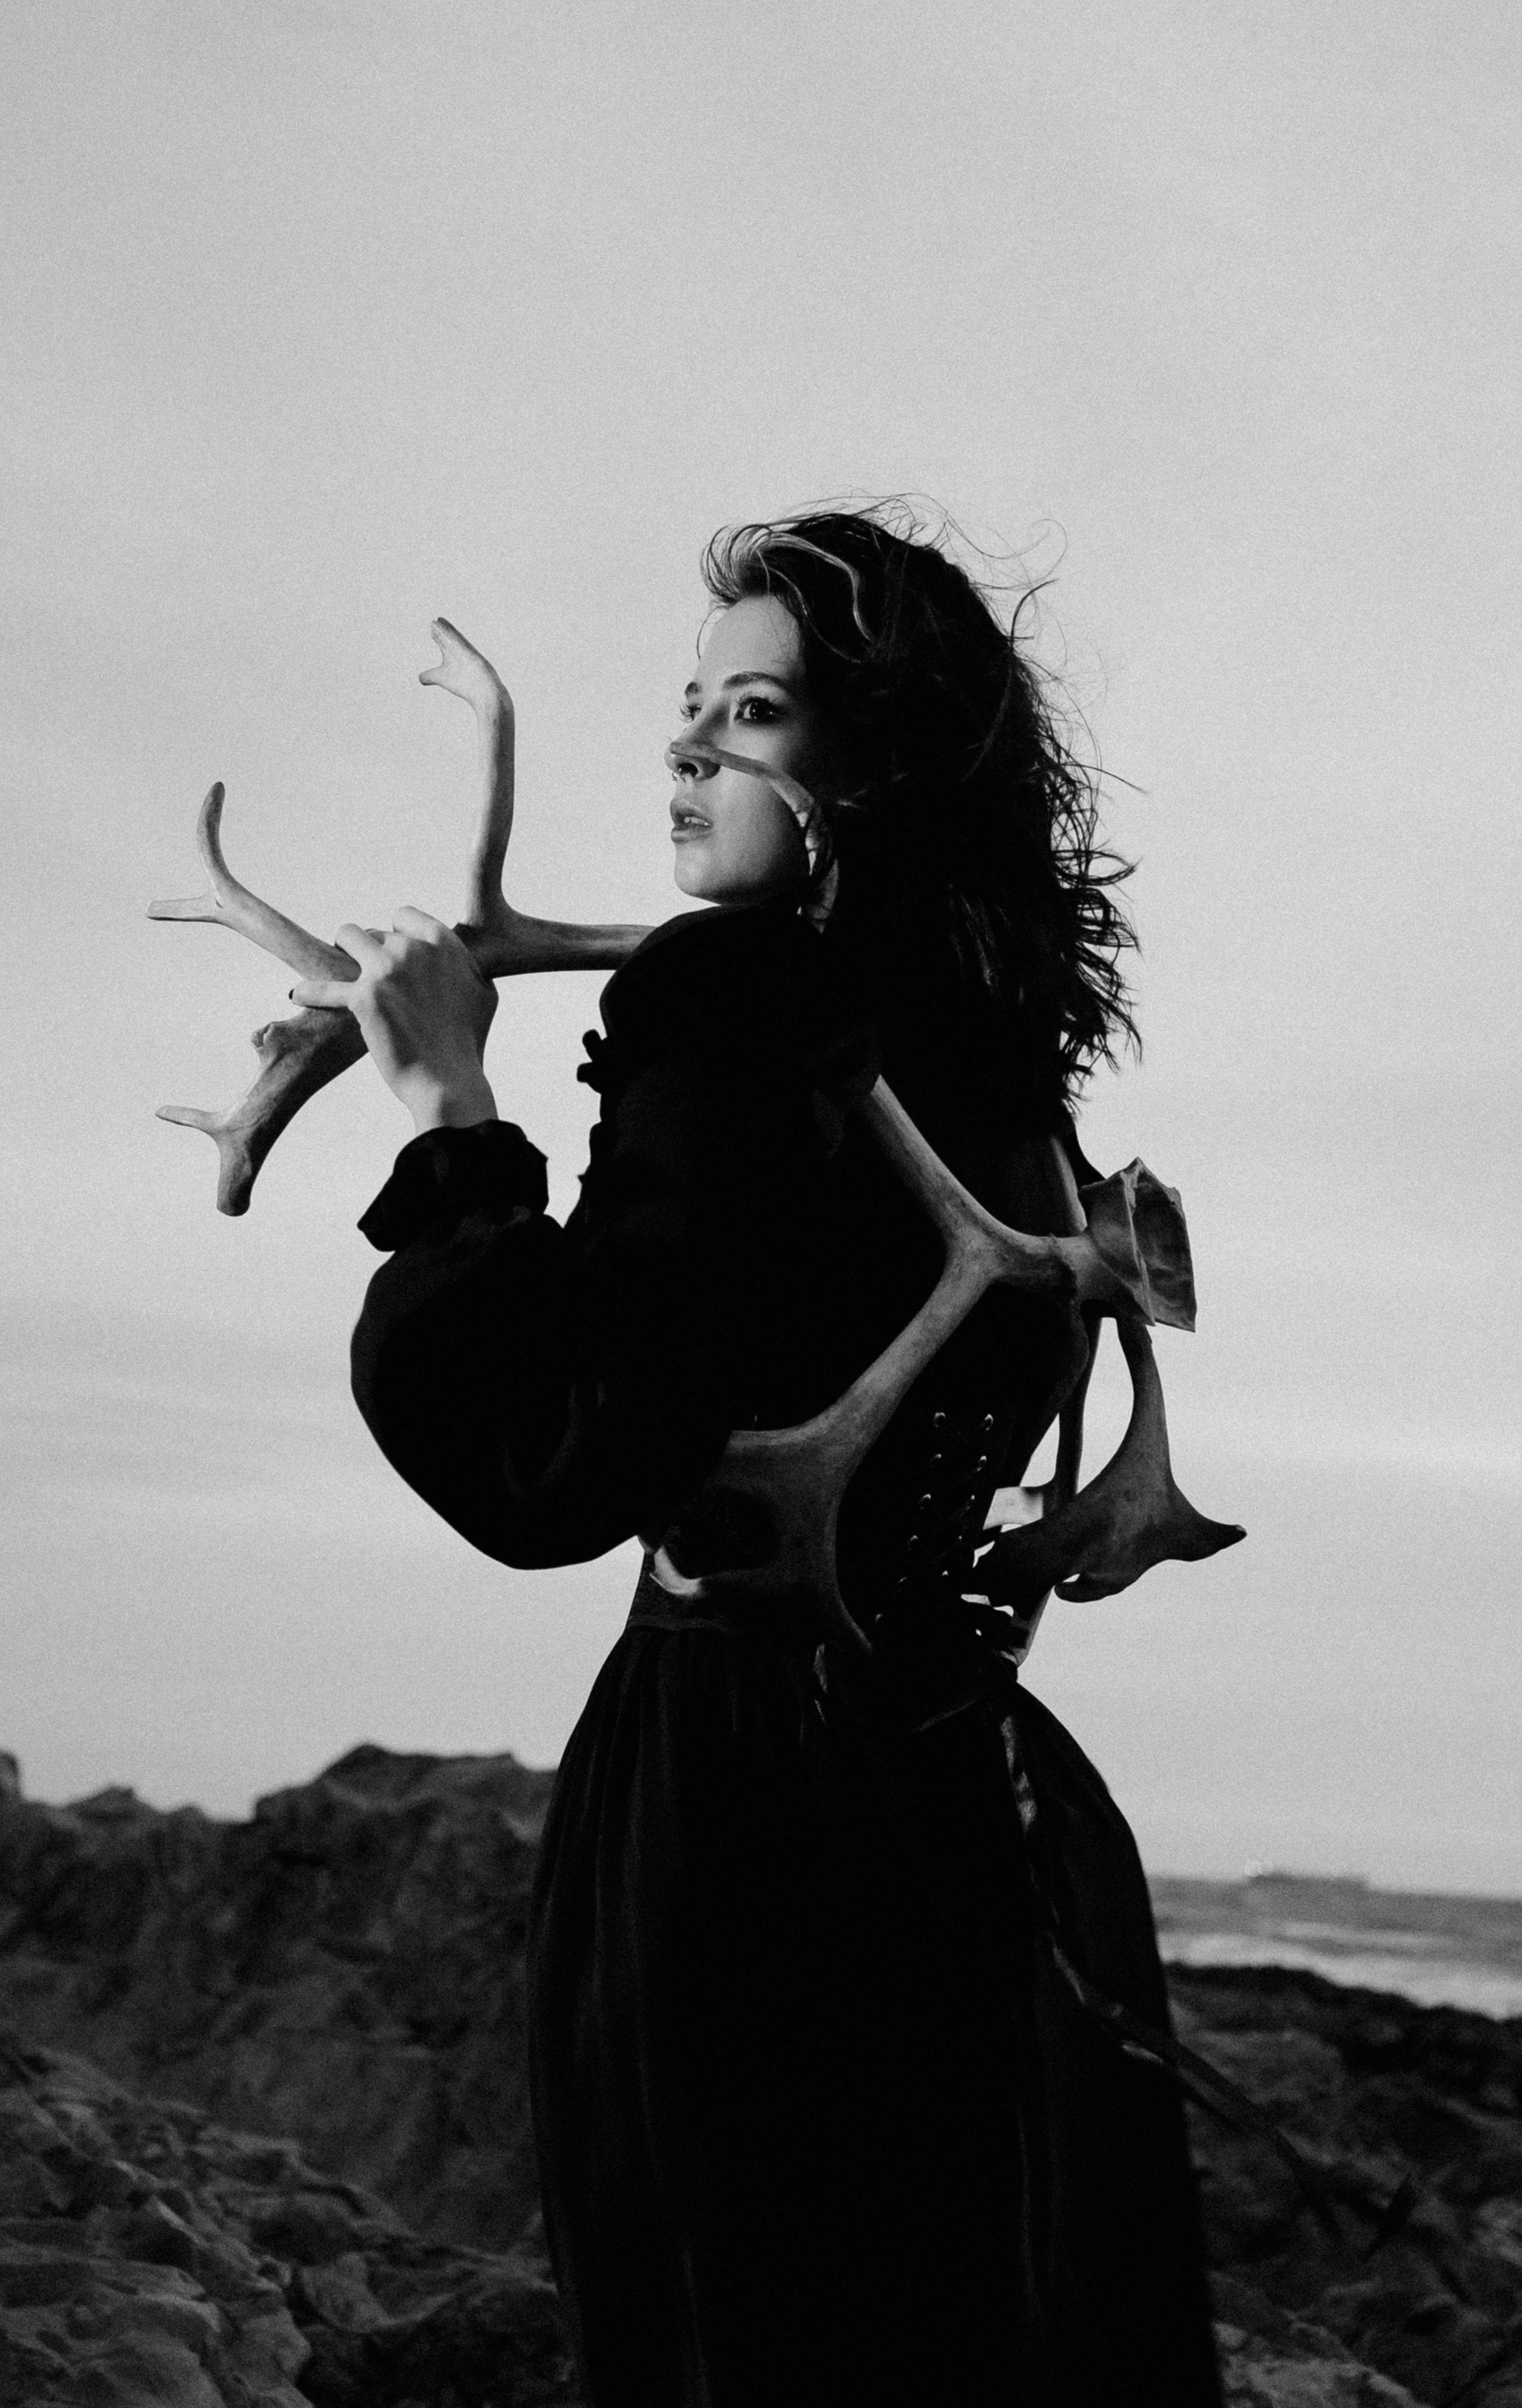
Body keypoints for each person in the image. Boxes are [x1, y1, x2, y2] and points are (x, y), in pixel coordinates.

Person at [302, 509, 1223, 2406]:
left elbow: (556, 1458)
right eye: (690, 705)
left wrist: (453, 1111)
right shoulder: (1015, 1079)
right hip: (972, 1808)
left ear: (872, 761)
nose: (686, 745)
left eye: (752, 710)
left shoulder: (725, 1004)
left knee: (739, 2342)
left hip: (735, 1820)